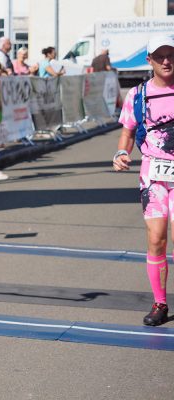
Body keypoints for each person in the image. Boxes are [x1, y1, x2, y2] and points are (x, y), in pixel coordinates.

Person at [113, 35, 174, 326]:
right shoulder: (137, 95)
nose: (166, 61)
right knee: (156, 239)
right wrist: (121, 152)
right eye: (159, 56)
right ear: (149, 60)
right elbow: (127, 130)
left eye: (171, 55)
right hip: (153, 176)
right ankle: (160, 303)